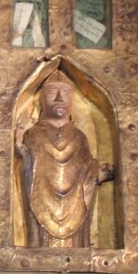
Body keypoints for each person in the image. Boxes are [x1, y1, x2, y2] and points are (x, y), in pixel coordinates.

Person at [18, 73, 112, 248]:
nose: (60, 97)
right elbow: (29, 174)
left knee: (74, 245)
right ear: (41, 100)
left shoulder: (79, 136)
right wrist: (25, 156)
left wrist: (96, 173)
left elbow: (87, 169)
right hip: (42, 211)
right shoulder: (33, 135)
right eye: (53, 91)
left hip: (75, 212)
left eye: (66, 93)